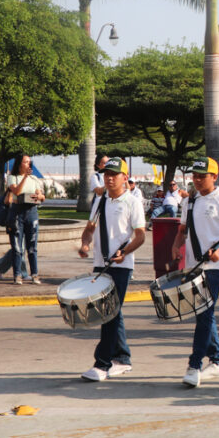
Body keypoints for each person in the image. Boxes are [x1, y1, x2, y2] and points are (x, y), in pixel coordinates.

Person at [172, 157, 219, 387]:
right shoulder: (189, 201)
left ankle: (194, 365)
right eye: (195, 176)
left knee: (204, 315)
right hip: (193, 265)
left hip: (214, 267)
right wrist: (175, 245)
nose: (198, 180)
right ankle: (218, 362)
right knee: (204, 315)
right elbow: (183, 229)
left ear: (215, 175)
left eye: (203, 176)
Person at [77, 158, 146, 382]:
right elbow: (89, 229)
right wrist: (85, 244)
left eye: (114, 174)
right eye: (106, 173)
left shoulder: (132, 202)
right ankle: (123, 358)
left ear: (125, 178)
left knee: (108, 314)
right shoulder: (100, 201)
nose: (109, 177)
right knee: (112, 312)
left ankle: (102, 364)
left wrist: (125, 252)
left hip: (122, 265)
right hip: (100, 264)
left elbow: (141, 235)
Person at [6, 154, 45, 285]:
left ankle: (35, 274)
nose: (28, 164)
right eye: (25, 162)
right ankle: (17, 275)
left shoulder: (34, 179)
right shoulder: (12, 177)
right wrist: (24, 178)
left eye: (29, 162)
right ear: (19, 164)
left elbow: (42, 196)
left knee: (32, 247)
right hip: (17, 213)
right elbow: (16, 191)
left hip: (31, 212)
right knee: (17, 247)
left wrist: (39, 196)